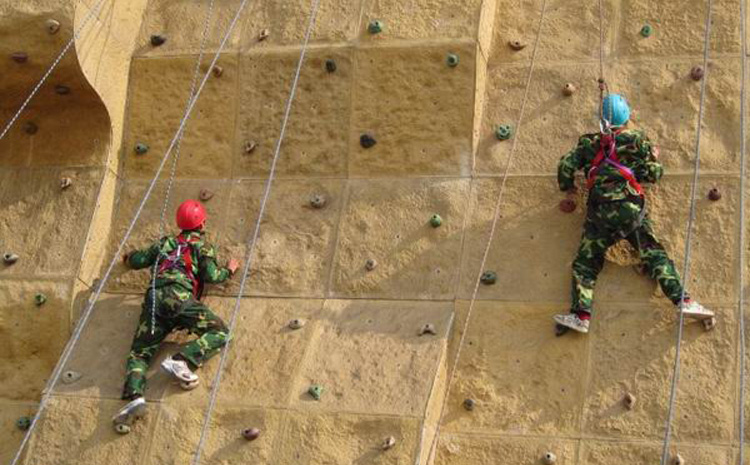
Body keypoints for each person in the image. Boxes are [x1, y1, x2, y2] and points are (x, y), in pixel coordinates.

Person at [552, 93, 713, 334]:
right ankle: (684, 302)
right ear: (627, 117)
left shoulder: (589, 144)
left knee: (586, 263)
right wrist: (654, 160)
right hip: (630, 211)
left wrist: (569, 188)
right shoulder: (638, 141)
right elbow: (653, 174)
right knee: (655, 255)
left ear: (601, 119)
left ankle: (581, 315)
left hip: (600, 214)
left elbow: (565, 165)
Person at [113, 199, 239, 424]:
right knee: (220, 331)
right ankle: (183, 360)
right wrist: (229, 271)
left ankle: (134, 397)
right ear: (202, 225)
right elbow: (212, 276)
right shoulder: (203, 247)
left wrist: (128, 258)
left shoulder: (165, 243)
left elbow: (139, 259)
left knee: (140, 352)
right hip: (179, 299)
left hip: (154, 300)